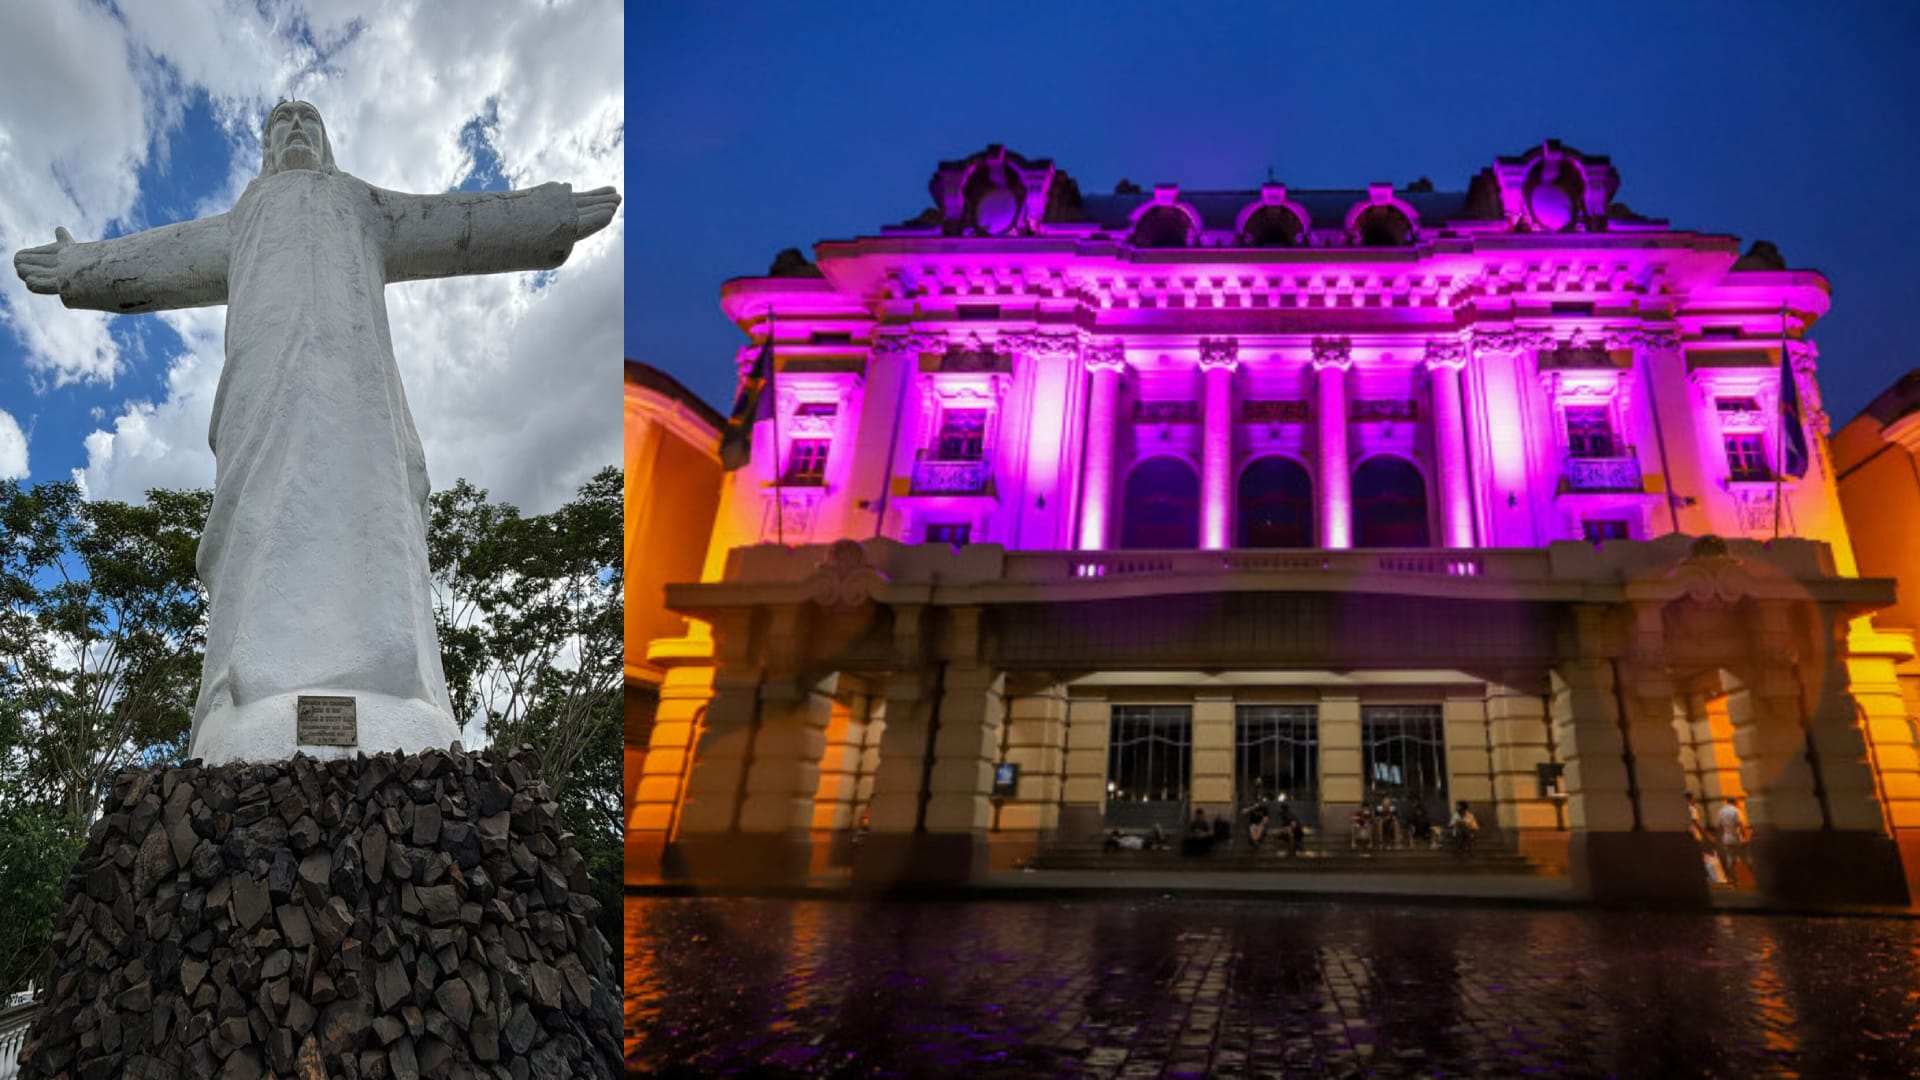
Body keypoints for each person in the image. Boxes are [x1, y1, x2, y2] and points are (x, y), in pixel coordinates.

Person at [11, 101, 621, 764]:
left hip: (357, 392)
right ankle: (250, 688)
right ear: (267, 147)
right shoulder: (248, 215)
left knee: (371, 511)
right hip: (263, 391)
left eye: (309, 121)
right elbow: (166, 255)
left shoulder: (361, 202)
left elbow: (455, 222)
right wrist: (81, 269)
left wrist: (550, 215)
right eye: (281, 123)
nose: (296, 129)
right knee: (262, 520)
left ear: (327, 143)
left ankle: (391, 684)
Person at [1716, 797, 1750, 881]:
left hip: (1726, 837)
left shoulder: (1721, 811)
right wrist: (1746, 837)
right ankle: (1750, 878)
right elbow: (1741, 824)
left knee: (1730, 858)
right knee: (1744, 857)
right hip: (1736, 836)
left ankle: (1731, 878)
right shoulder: (1736, 810)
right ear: (1735, 802)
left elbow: (1719, 826)